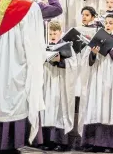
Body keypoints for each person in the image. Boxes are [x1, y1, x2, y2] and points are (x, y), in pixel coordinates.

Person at [0, 0, 46, 153]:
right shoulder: (30, 8)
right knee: (17, 98)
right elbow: (35, 43)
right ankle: (13, 142)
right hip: (18, 64)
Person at [78, 14, 113, 152]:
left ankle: (110, 144)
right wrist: (93, 53)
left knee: (110, 108)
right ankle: (92, 142)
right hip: (97, 76)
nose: (107, 25)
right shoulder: (98, 39)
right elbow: (88, 62)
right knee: (96, 107)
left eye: (110, 23)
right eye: (106, 23)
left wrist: (111, 49)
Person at [40, 21, 77, 152]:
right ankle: (48, 141)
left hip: (61, 82)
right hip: (48, 81)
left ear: (61, 32)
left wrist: (60, 60)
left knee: (60, 111)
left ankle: (62, 143)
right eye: (50, 33)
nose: (52, 35)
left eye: (55, 33)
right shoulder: (45, 46)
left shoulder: (67, 46)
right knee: (48, 111)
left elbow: (73, 64)